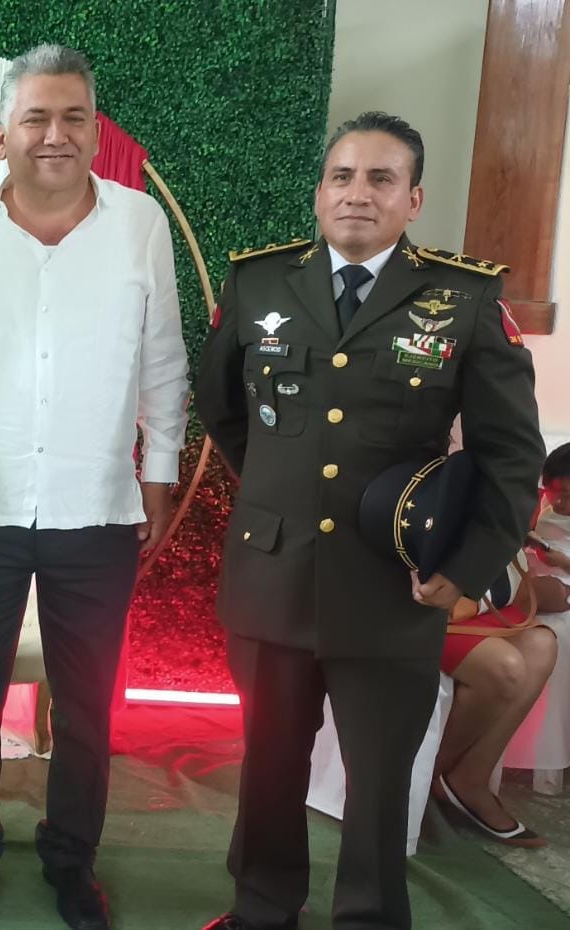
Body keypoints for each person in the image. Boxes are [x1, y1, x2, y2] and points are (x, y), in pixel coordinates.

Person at [194, 110, 544, 930]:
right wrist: (282, 493)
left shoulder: (464, 298)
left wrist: (466, 567)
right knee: (268, 766)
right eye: (342, 176)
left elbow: (511, 455)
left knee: (381, 783)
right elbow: (224, 409)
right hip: (274, 575)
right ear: (320, 192)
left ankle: (371, 918)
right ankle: (261, 909)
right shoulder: (258, 282)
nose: (358, 193)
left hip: (394, 587)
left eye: (381, 179)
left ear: (413, 199)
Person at [0, 44, 189, 930]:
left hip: (97, 508)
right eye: (36, 118)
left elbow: (164, 360)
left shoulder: (138, 224)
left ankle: (72, 858)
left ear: (94, 130)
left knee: (88, 706)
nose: (55, 135)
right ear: (1, 134)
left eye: (73, 117)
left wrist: (159, 474)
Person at [434, 551, 564, 847]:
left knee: (541, 646)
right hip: (424, 600)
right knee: (506, 668)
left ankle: (471, 777)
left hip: (480, 595)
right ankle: (429, 775)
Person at [532, 442, 570, 582]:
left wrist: (564, 562)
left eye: (566, 495)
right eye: (551, 491)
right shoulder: (548, 507)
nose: (557, 501)